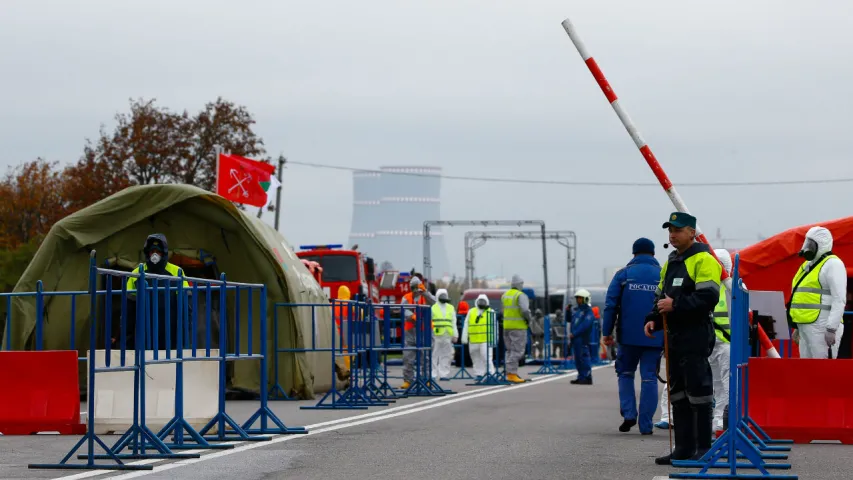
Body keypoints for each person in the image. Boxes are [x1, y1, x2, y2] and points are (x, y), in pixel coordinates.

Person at [644, 212, 721, 465]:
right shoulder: (671, 261)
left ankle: (702, 448)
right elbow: (659, 296)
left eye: (677, 230)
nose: (672, 234)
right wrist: (653, 318)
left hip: (695, 333)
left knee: (698, 392)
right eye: (670, 230)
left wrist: (675, 305)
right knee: (677, 393)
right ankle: (683, 448)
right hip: (674, 336)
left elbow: (708, 297)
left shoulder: (703, 259)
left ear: (691, 232)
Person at [603, 237, 663, 435]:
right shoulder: (663, 275)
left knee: (625, 373)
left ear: (634, 253)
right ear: (653, 254)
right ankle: (646, 425)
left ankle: (629, 413)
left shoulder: (623, 275)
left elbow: (610, 306)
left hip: (628, 337)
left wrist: (606, 333)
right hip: (655, 335)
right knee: (649, 377)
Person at [787, 226, 847, 359]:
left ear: (821, 245)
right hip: (806, 326)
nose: (807, 247)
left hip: (822, 327)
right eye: (807, 242)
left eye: (811, 244)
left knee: (822, 370)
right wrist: (798, 327)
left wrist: (831, 328)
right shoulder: (807, 266)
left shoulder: (833, 264)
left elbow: (839, 299)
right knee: (807, 370)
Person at [125, 233, 190, 350]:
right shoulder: (136, 273)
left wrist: (186, 338)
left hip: (170, 330)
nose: (155, 255)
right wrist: (128, 342)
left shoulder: (177, 272)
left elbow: (186, 307)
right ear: (147, 253)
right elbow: (128, 311)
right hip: (144, 331)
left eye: (158, 251)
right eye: (152, 251)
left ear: (164, 253)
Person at [710, 249, 733, 434]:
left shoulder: (709, 287)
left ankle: (722, 419)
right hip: (720, 342)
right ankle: (719, 420)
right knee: (720, 383)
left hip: (721, 342)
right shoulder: (734, 288)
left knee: (722, 384)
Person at [399, 276, 436, 389]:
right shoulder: (406, 297)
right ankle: (408, 380)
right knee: (408, 357)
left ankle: (426, 379)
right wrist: (412, 316)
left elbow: (434, 302)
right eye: (413, 287)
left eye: (417, 287)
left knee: (425, 357)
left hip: (424, 330)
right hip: (410, 331)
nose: (415, 290)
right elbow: (403, 309)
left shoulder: (426, 297)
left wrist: (425, 292)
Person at [501, 274, 531, 383]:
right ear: (519, 284)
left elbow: (503, 310)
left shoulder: (505, 295)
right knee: (517, 351)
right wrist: (528, 319)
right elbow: (524, 310)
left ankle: (509, 372)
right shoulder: (520, 295)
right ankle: (512, 374)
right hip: (518, 327)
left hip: (506, 327)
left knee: (509, 350)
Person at [462, 294, 497, 379]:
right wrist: (464, 336)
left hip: (486, 339)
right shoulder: (471, 311)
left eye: (483, 301)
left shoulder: (491, 312)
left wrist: (495, 339)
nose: (481, 303)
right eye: (480, 301)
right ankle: (479, 374)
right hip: (473, 340)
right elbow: (466, 324)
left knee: (487, 357)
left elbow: (495, 326)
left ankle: (491, 373)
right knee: (475, 358)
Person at [431, 289, 458, 381]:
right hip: (436, 334)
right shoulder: (433, 307)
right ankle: (433, 374)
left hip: (447, 334)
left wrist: (455, 334)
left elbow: (454, 322)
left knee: (446, 355)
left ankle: (444, 374)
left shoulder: (450, 307)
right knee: (434, 355)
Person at [570, 289, 596, 385]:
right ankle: (581, 376)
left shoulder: (588, 312)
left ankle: (587, 376)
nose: (578, 300)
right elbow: (572, 322)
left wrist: (575, 333)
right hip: (576, 338)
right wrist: (568, 311)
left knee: (584, 357)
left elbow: (585, 325)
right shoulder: (577, 311)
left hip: (583, 338)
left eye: (580, 298)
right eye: (577, 298)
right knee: (578, 358)